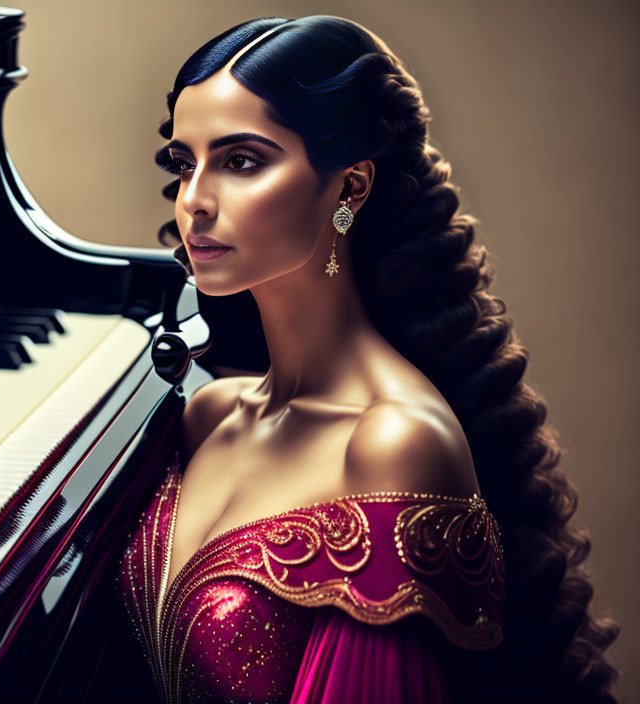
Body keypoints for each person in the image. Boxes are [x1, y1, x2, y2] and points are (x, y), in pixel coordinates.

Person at [116, 15, 620, 703]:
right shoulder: (210, 414)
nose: (194, 202)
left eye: (241, 161)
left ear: (350, 189)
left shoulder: (395, 445)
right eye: (184, 162)